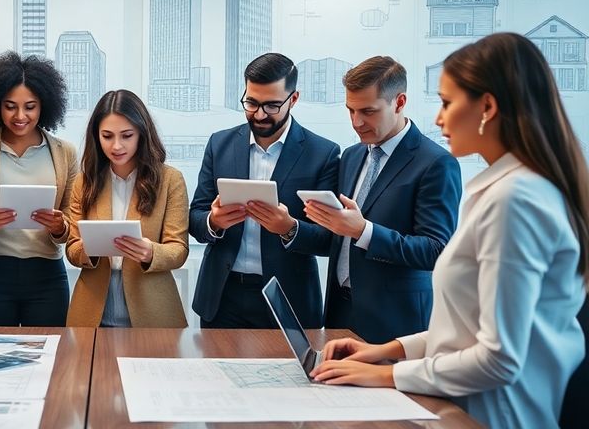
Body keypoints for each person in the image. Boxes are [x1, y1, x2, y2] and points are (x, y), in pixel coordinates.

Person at [312, 33, 588, 429]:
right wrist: (384, 351)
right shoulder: (506, 188)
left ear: (487, 107)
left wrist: (387, 375)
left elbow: (498, 358)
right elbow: (465, 330)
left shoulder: (516, 200)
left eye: (446, 103)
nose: (439, 118)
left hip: (494, 415)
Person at [286, 56, 462, 344]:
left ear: (400, 102)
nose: (357, 122)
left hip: (396, 323)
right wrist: (290, 226)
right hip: (339, 313)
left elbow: (435, 250)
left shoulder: (436, 163)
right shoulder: (353, 156)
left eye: (368, 111)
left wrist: (363, 231)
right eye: (350, 110)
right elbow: (335, 241)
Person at [190, 53, 339, 329]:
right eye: (251, 103)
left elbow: (329, 239)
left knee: (290, 374)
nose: (259, 114)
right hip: (223, 296)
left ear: (293, 99)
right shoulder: (219, 144)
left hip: (287, 299)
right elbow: (195, 217)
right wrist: (213, 222)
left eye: (271, 106)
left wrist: (290, 228)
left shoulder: (323, 153)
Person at [0, 51, 78, 327]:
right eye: (10, 106)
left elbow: (72, 218)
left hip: (47, 274)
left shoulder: (65, 152)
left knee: (50, 355)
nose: (20, 116)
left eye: (30, 106)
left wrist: (59, 227)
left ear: (45, 105)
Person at [66, 89, 188, 328]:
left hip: (152, 306)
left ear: (142, 134)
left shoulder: (170, 180)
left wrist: (150, 253)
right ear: (96, 136)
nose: (117, 146)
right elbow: (72, 248)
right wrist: (90, 248)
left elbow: (179, 249)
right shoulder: (84, 181)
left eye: (127, 135)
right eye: (107, 136)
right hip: (93, 306)